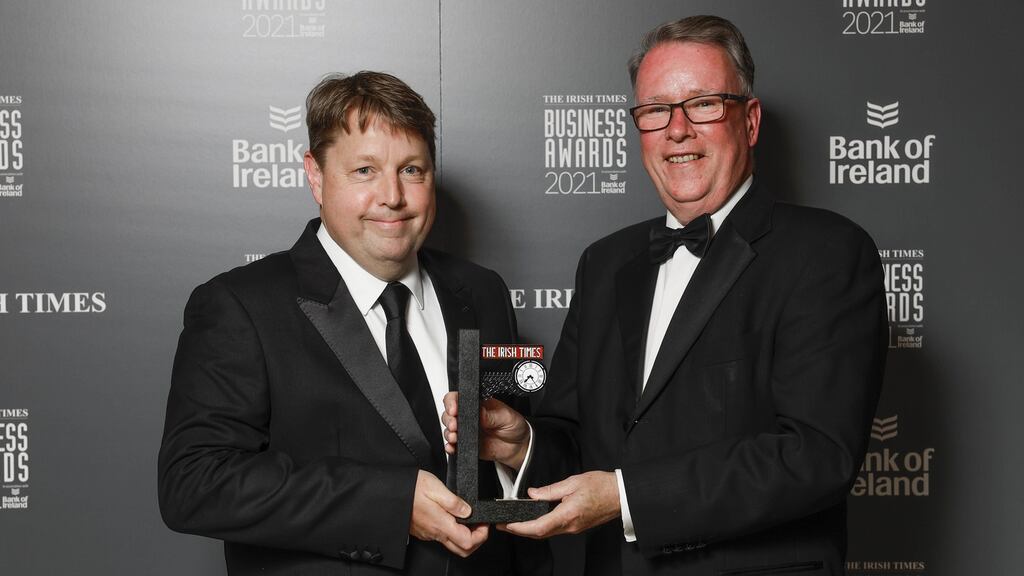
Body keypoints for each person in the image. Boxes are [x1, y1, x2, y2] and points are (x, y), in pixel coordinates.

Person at [443, 15, 887, 575]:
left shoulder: (827, 253)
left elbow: (817, 455)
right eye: (655, 111)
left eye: (703, 103)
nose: (677, 130)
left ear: (749, 122)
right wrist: (519, 443)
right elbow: (578, 442)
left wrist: (628, 497)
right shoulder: (604, 263)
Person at [159, 71, 548, 576]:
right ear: (315, 176)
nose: (392, 196)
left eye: (412, 170)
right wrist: (391, 503)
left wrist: (519, 449)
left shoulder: (480, 291)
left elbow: (508, 469)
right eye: (365, 170)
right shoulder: (240, 305)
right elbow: (194, 484)